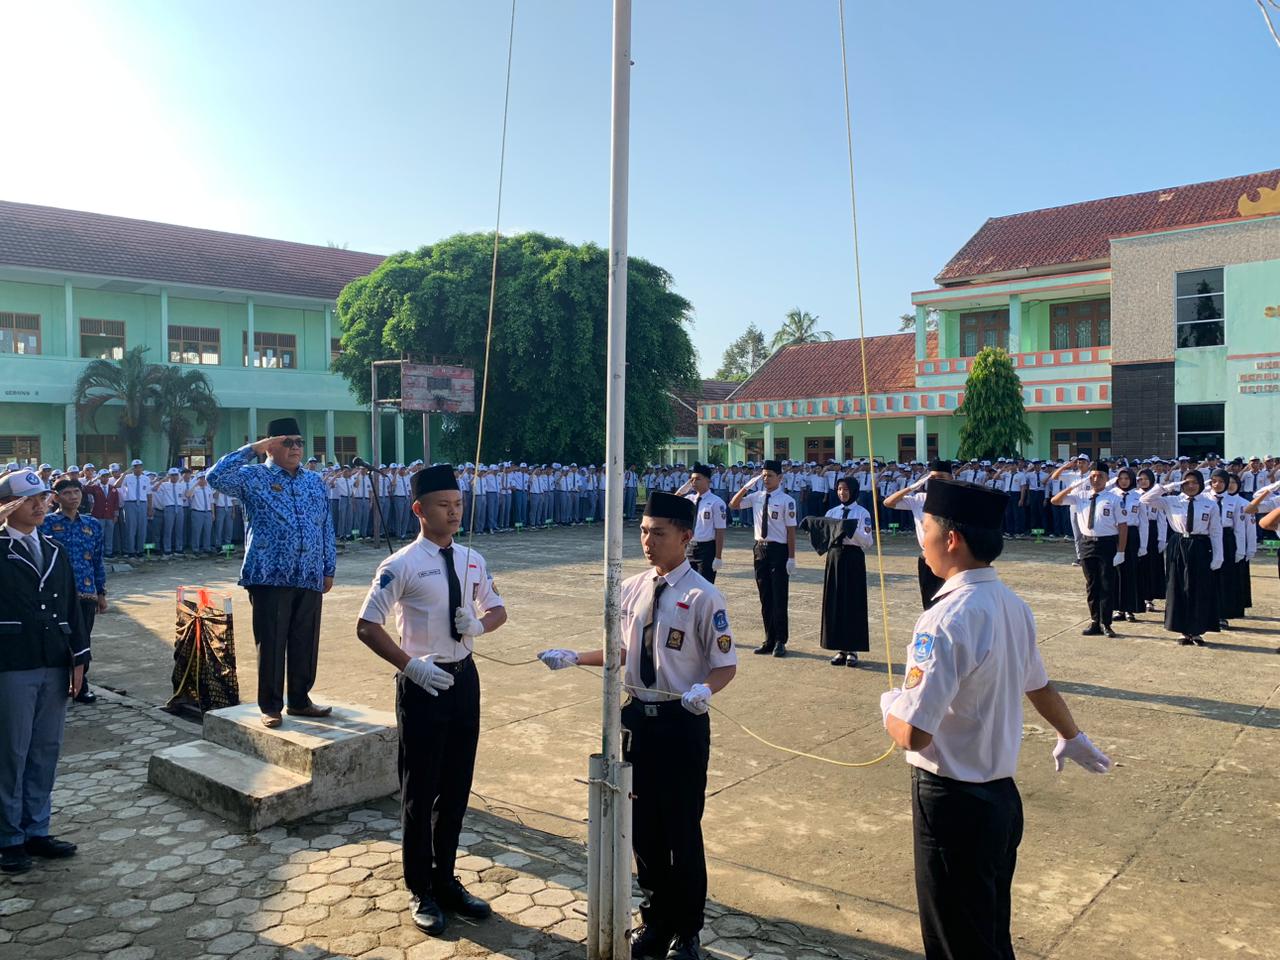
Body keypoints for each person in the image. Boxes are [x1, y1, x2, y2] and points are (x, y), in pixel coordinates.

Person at [879, 478, 1112, 960]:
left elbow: (915, 734)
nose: (919, 539)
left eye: (924, 527)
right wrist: (1071, 734)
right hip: (1000, 802)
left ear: (950, 539)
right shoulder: (1012, 604)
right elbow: (1039, 684)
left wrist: (889, 707)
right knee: (986, 932)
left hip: (952, 802)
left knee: (956, 942)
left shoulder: (944, 618)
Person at [537, 491, 737, 960]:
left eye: (658, 533)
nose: (647, 541)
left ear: (686, 537)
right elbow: (624, 651)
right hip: (637, 722)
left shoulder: (704, 596)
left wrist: (706, 689)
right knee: (643, 829)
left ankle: (687, 930)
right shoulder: (631, 588)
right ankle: (657, 921)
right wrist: (575, 656)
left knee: (681, 830)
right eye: (643, 531)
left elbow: (724, 663)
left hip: (681, 722)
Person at [355, 464, 506, 936]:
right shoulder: (400, 565)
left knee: (457, 786)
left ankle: (446, 880)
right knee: (421, 790)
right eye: (444, 505)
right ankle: (420, 887)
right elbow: (367, 625)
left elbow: (498, 608)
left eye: (458, 504)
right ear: (420, 510)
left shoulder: (472, 559)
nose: (454, 512)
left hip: (464, 680)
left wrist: (480, 625)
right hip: (423, 682)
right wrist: (410, 665)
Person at [207, 418, 337, 727]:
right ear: (271, 445)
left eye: (299, 442)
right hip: (269, 574)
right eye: (287, 442)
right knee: (272, 641)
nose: (295, 448)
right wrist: (251, 450)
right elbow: (215, 477)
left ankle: (301, 700)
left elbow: (326, 526)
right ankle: (271, 705)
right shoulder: (253, 477)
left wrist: (328, 567)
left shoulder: (313, 481)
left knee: (305, 640)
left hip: (308, 573)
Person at [0, 471, 87, 873]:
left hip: (53, 661)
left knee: (45, 750)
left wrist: (80, 660)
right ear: (7, 507)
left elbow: (71, 609)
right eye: (27, 499)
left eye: (41, 498)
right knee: (10, 752)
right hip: (11, 664)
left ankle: (36, 829)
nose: (39, 505)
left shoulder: (53, 549)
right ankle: (8, 837)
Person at [40, 478, 107, 704]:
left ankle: (81, 685)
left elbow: (98, 560)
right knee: (57, 640)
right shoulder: (45, 523)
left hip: (86, 591)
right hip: (55, 593)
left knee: (82, 639)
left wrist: (101, 593)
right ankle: (56, 686)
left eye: (76, 492)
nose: (73, 497)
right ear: (56, 497)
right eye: (67, 493)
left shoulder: (92, 524)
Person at [1139, 470, 1222, 646]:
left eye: (1195, 483)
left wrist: (1218, 555)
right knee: (1178, 587)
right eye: (1187, 483)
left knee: (1198, 588)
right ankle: (1183, 631)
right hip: (1178, 543)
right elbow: (1145, 499)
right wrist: (1167, 487)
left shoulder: (1210, 504)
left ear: (1201, 485)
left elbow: (1215, 531)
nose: (1191, 486)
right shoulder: (1172, 501)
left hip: (1200, 545)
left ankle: (1197, 631)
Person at [1049, 459, 1127, 637]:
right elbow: (1055, 500)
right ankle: (1094, 622)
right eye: (1092, 476)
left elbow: (1123, 526)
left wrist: (1121, 551)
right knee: (1092, 585)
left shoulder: (1114, 498)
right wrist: (1075, 485)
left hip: (1107, 544)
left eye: (1100, 476)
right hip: (1087, 544)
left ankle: (1106, 623)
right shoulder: (1081, 495)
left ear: (1107, 478)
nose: (1095, 479)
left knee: (1107, 584)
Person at [729, 459, 796, 658]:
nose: (766, 479)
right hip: (760, 549)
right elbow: (733, 505)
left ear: (780, 478)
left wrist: (791, 557)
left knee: (779, 596)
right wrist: (745, 487)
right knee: (765, 597)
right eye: (764, 475)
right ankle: (768, 639)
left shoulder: (786, 500)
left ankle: (780, 640)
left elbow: (791, 531)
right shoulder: (756, 496)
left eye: (770, 475)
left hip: (779, 550)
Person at [803, 476, 872, 666]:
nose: (843, 493)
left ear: (854, 491)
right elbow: (825, 536)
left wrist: (849, 529)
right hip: (834, 558)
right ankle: (839, 648)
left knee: (853, 602)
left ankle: (853, 649)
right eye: (840, 489)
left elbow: (867, 541)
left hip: (853, 559)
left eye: (846, 489)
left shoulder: (861, 512)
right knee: (835, 601)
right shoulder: (832, 511)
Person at [885, 459, 953, 609]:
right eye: (932, 478)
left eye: (941, 478)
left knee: (949, 602)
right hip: (927, 557)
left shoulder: (956, 500)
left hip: (950, 556)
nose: (936, 482)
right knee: (929, 601)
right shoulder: (920, 499)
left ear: (951, 479)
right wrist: (912, 487)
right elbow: (888, 502)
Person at [1207, 468, 1247, 629]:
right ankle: (1206, 613)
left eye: (1222, 481)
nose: (1218, 484)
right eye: (1214, 481)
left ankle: (1222, 614)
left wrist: (1240, 550)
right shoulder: (1203, 498)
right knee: (1207, 578)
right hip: (1207, 540)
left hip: (1227, 539)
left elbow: (1239, 527)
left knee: (1224, 579)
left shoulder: (1234, 501)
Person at [676, 464, 726, 583]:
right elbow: (672, 503)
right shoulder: (689, 499)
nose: (694, 482)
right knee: (687, 585)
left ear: (708, 480)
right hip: (689, 547)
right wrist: (681, 491)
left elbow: (720, 531)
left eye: (698, 479)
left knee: (704, 587)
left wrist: (718, 556)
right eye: (691, 479)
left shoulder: (716, 502)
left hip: (707, 549)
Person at [1111, 467, 1143, 623]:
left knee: (1131, 571)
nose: (1123, 481)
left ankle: (1130, 608)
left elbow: (1143, 522)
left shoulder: (1138, 497)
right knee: (1116, 572)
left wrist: (1143, 545)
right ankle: (1118, 608)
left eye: (1127, 478)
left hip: (1132, 534)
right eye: (1121, 478)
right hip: (1115, 534)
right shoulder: (1112, 496)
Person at [1135, 468, 1167, 613]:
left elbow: (1162, 519)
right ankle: (1137, 597)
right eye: (1140, 479)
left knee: (1151, 566)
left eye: (1146, 479)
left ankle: (1149, 599)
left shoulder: (1157, 496)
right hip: (1137, 531)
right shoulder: (1134, 495)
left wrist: (1162, 539)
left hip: (1153, 532)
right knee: (1138, 566)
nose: (1143, 481)